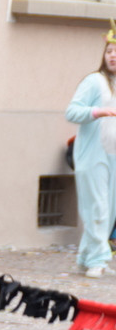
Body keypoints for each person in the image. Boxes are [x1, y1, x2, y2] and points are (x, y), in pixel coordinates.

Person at [65, 25, 116, 278]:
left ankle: (87, 257)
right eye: (109, 50)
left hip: (113, 154)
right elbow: (72, 111)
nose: (112, 55)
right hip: (92, 153)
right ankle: (99, 257)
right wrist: (97, 112)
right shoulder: (94, 81)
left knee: (109, 208)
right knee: (97, 207)